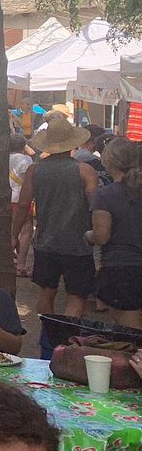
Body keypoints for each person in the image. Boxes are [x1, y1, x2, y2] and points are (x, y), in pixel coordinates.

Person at [11, 118, 98, 337]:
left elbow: (23, 205)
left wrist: (13, 234)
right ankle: (67, 339)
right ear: (72, 143)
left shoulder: (35, 170)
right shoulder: (85, 171)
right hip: (79, 243)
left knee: (46, 293)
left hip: (45, 242)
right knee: (76, 296)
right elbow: (96, 207)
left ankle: (50, 335)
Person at [88, 136, 142, 330]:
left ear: (108, 161)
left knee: (131, 332)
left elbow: (101, 235)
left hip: (122, 269)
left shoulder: (106, 195)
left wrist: (88, 236)